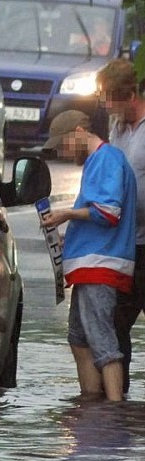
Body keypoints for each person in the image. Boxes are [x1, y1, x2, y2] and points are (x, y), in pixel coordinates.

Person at [40, 109, 136, 402]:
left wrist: (66, 213)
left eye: (64, 143)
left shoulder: (107, 159)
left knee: (102, 340)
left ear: (80, 131)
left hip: (101, 263)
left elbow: (108, 212)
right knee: (80, 338)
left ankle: (112, 410)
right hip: (91, 263)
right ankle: (91, 404)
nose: (63, 151)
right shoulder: (99, 161)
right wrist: (70, 234)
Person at [97, 58, 145, 394]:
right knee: (116, 323)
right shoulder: (117, 128)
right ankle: (120, 398)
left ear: (131, 95)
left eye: (112, 99)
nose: (107, 107)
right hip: (126, 244)